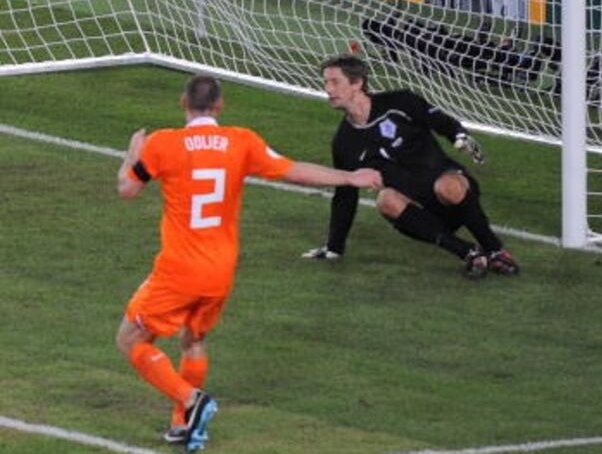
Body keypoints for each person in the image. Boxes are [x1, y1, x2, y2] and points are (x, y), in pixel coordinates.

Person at [116, 75, 381, 451]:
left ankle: (192, 400)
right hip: (220, 271)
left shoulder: (162, 143)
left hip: (179, 270)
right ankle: (184, 425)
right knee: (193, 339)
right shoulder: (241, 141)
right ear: (220, 105)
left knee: (130, 340)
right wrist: (350, 177)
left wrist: (132, 154)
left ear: (183, 103)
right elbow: (295, 171)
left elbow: (127, 189)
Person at [301, 54, 519, 279]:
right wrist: (334, 247)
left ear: (357, 83)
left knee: (448, 187)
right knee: (385, 200)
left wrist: (459, 136)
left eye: (335, 82)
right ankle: (469, 253)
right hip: (420, 215)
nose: (328, 89)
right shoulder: (344, 142)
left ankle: (495, 250)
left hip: (454, 196)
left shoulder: (400, 102)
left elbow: (439, 120)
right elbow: (345, 195)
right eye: (325, 82)